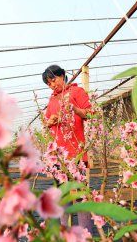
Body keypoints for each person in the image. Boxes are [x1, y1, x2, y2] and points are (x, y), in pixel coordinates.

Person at [42, 64, 93, 233]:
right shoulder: (52, 99)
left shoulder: (77, 92)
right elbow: (48, 121)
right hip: (59, 156)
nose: (52, 85)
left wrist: (75, 109)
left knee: (80, 197)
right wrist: (50, 122)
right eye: (49, 83)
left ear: (62, 75)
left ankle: (87, 234)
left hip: (76, 153)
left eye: (53, 80)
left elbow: (90, 113)